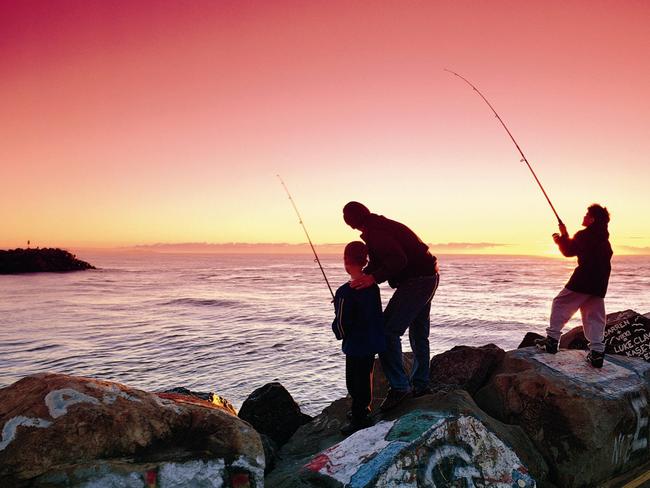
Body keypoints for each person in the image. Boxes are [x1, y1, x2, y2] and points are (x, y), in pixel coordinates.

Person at [342, 202, 439, 411]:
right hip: (428, 276)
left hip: (417, 280)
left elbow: (398, 260)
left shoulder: (376, 232)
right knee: (419, 334)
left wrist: (372, 278)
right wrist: (366, 274)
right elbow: (383, 259)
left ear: (350, 222)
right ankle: (420, 384)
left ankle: (400, 387)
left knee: (387, 332)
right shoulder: (378, 226)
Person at [536, 204, 613, 368]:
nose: (584, 217)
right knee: (594, 316)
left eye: (587, 215)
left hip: (583, 280)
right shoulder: (603, 238)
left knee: (560, 303)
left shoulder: (585, 235)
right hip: (599, 283)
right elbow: (578, 248)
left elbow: (569, 251)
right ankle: (597, 354)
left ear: (592, 219)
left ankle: (552, 341)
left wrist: (560, 239)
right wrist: (565, 234)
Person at [332, 241, 386, 435]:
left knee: (354, 382)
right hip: (372, 342)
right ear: (365, 260)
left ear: (346, 261)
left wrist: (338, 332)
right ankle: (363, 410)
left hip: (356, 345)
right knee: (365, 378)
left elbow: (342, 323)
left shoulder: (344, 292)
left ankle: (359, 418)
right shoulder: (372, 287)